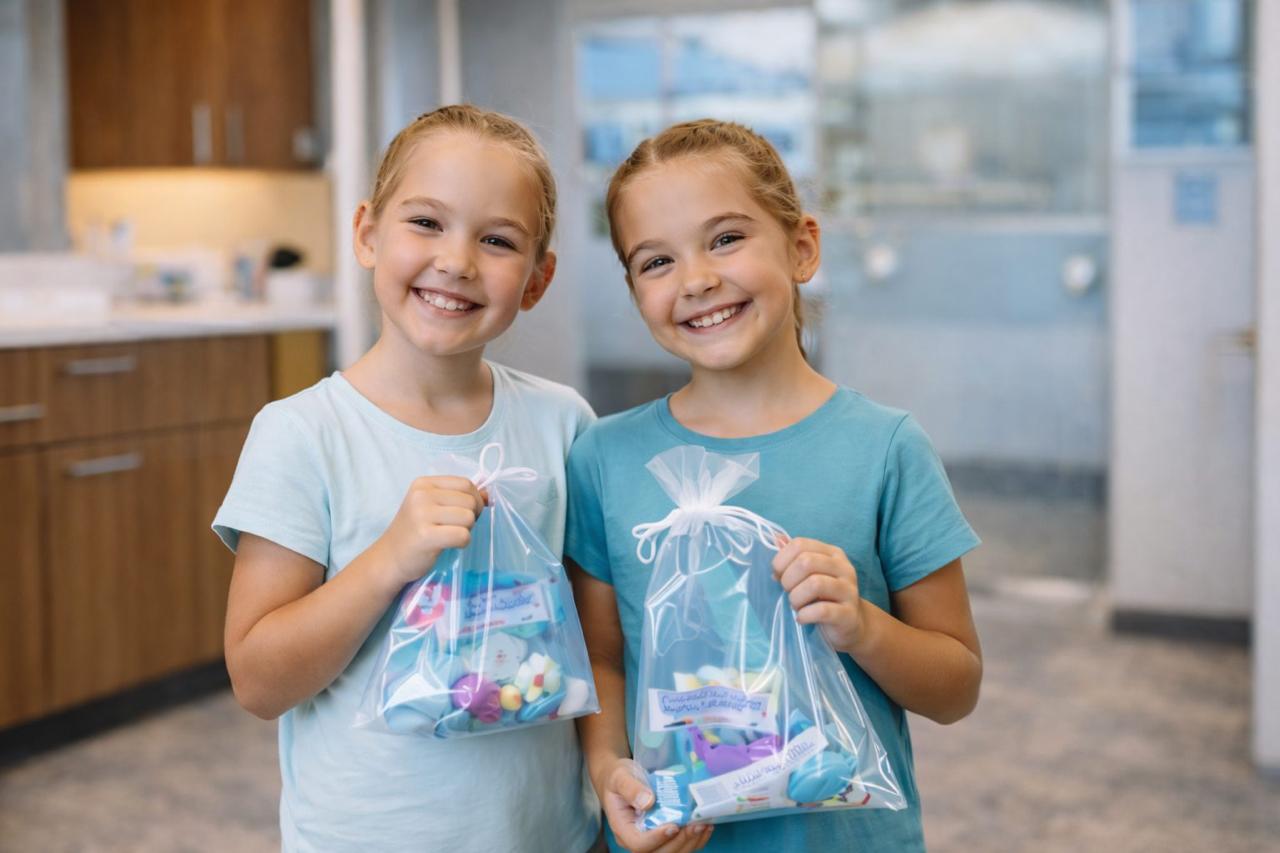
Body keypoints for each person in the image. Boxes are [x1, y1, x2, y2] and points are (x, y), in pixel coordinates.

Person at [566, 119, 983, 853]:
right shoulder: (604, 456)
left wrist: (863, 626)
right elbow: (601, 657)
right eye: (656, 260)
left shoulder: (884, 449)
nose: (697, 279)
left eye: (726, 238)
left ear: (802, 247)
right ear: (633, 290)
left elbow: (957, 687)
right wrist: (606, 769)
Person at [213, 104, 599, 853]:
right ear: (366, 232)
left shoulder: (562, 424)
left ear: (538, 278)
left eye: (496, 240)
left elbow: (597, 644)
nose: (456, 261)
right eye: (426, 222)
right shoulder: (302, 435)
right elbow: (259, 681)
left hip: (553, 835)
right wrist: (390, 558)